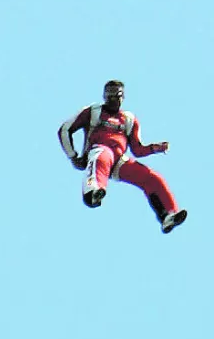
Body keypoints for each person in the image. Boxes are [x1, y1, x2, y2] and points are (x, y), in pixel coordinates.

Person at [58, 80, 187, 234]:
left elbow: (138, 149)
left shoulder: (128, 119)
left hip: (119, 160)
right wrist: (73, 156)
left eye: (116, 96)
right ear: (104, 96)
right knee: (102, 156)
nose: (113, 100)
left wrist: (155, 148)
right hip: (99, 149)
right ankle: (93, 191)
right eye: (109, 96)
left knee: (152, 177)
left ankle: (168, 214)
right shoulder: (93, 111)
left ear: (122, 97)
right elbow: (65, 129)